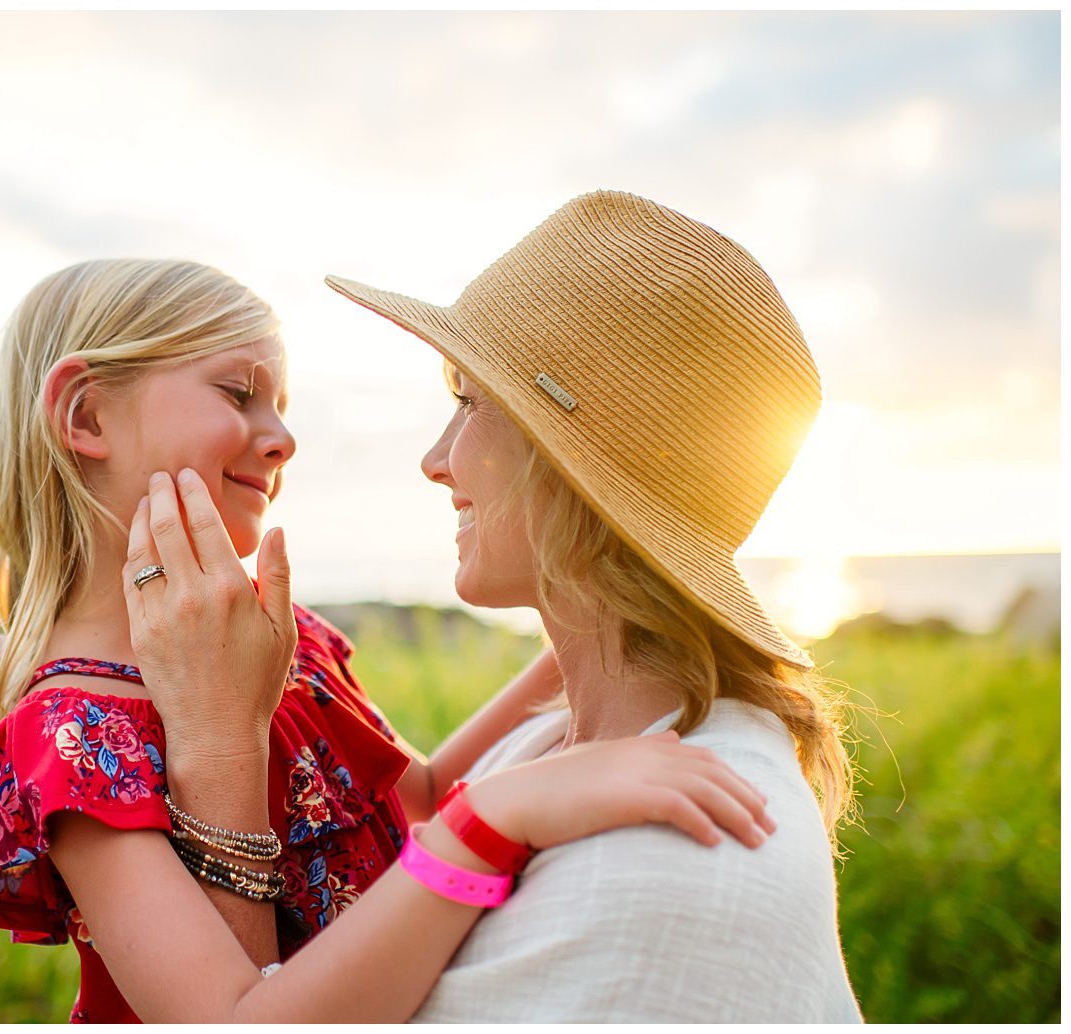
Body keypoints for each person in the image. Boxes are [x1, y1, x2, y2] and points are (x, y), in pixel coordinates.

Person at [0, 257, 775, 1023]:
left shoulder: (279, 643)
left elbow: (423, 792)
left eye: (280, 406)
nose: (283, 438)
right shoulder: (70, 737)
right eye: (237, 393)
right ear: (87, 415)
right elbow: (235, 1017)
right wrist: (494, 819)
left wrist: (611, 598)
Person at [125, 190, 863, 1021]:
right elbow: (435, 795)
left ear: (564, 464)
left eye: (470, 402)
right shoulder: (585, 735)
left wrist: (218, 737)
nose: (435, 460)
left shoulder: (659, 875)